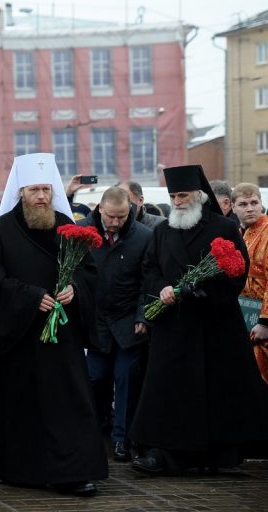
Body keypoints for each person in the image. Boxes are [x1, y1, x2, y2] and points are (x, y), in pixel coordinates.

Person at [0, 153, 107, 497]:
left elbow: (90, 273)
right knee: (20, 403)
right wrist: (29, 297)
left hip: (60, 336)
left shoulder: (67, 225)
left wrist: (74, 289)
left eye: (46, 189)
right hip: (19, 335)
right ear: (21, 191)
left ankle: (72, 471)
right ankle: (16, 468)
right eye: (34, 189)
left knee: (68, 402)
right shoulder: (3, 230)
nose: (42, 197)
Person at [130, 165, 268, 476]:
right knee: (168, 388)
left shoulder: (223, 227)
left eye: (182, 195)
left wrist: (200, 289)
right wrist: (162, 289)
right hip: (173, 324)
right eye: (173, 196)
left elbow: (238, 270)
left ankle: (215, 455)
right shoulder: (163, 231)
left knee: (214, 390)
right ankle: (165, 454)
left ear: (198, 195)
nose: (176, 202)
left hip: (213, 323)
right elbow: (149, 269)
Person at [79, 187, 152, 462]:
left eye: (122, 217)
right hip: (96, 322)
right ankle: (97, 430)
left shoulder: (143, 237)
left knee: (126, 379)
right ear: (100, 209)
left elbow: (149, 281)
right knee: (95, 377)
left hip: (128, 323)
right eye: (111, 216)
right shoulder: (82, 233)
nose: (115, 223)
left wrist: (143, 316)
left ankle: (123, 438)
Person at [232, 183, 268, 384]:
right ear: (233, 207)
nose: (250, 208)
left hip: (262, 321)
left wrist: (265, 322)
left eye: (254, 202)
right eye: (243, 204)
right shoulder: (241, 233)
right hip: (245, 317)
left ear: (261, 204)